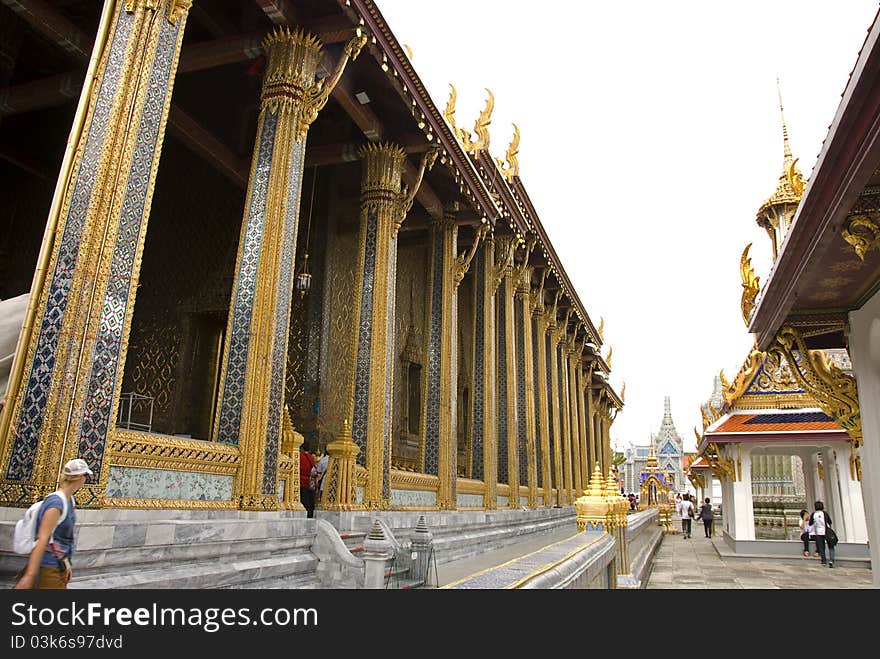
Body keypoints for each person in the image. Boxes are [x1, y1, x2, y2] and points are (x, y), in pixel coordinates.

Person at [14, 458, 92, 589]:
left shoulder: (69, 501)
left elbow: (63, 540)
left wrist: (66, 564)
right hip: (48, 567)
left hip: (58, 564)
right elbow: (42, 539)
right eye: (85, 476)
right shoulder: (56, 504)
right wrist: (30, 575)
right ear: (80, 477)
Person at [810, 501, 834, 567]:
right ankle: (831, 560)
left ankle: (823, 561)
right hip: (827, 532)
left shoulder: (813, 514)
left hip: (818, 532)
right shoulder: (825, 513)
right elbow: (830, 522)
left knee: (821, 547)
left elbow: (810, 523)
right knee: (831, 546)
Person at [299, 445, 317, 518]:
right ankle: (310, 512)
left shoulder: (300, 456)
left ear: (302, 448)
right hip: (309, 480)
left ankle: (305, 511)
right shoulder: (312, 457)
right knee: (309, 497)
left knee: (303, 497)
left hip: (301, 479)